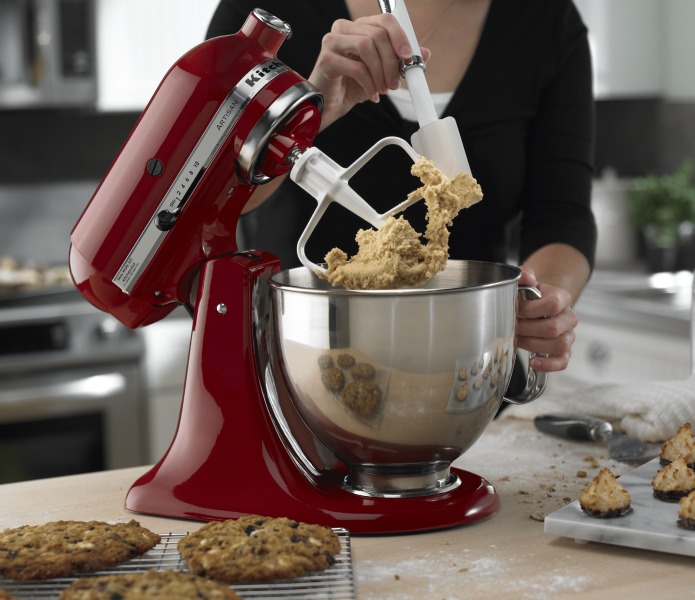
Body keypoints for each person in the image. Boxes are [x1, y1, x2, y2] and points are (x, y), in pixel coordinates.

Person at [206, 0, 595, 379]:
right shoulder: (265, 14)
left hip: (467, 375)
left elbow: (561, 215)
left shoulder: (546, 19)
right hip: (299, 364)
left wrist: (540, 302)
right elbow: (206, 198)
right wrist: (308, 113)